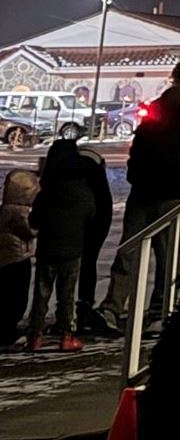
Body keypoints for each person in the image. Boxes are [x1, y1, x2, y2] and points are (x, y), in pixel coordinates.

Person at [103, 58, 180, 330]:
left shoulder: (168, 107)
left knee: (133, 251)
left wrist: (139, 170)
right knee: (165, 254)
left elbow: (141, 143)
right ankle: (157, 309)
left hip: (153, 188)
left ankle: (118, 307)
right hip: (170, 190)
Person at [27, 138, 101, 351]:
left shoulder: (47, 191)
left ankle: (35, 335)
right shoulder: (83, 191)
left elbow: (35, 220)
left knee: (41, 293)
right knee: (67, 294)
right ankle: (66, 335)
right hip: (72, 248)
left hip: (47, 248)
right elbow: (91, 214)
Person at [53, 123, 116, 337]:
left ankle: (65, 314)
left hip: (64, 230)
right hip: (94, 223)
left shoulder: (60, 174)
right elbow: (102, 207)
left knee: (62, 270)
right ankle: (82, 308)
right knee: (87, 264)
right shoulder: (95, 177)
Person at [0, 168, 35, 348]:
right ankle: (8, 332)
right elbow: (28, 231)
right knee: (16, 295)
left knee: (8, 294)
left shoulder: (5, 208)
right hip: (17, 256)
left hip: (6, 257)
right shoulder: (19, 212)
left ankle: (7, 329)